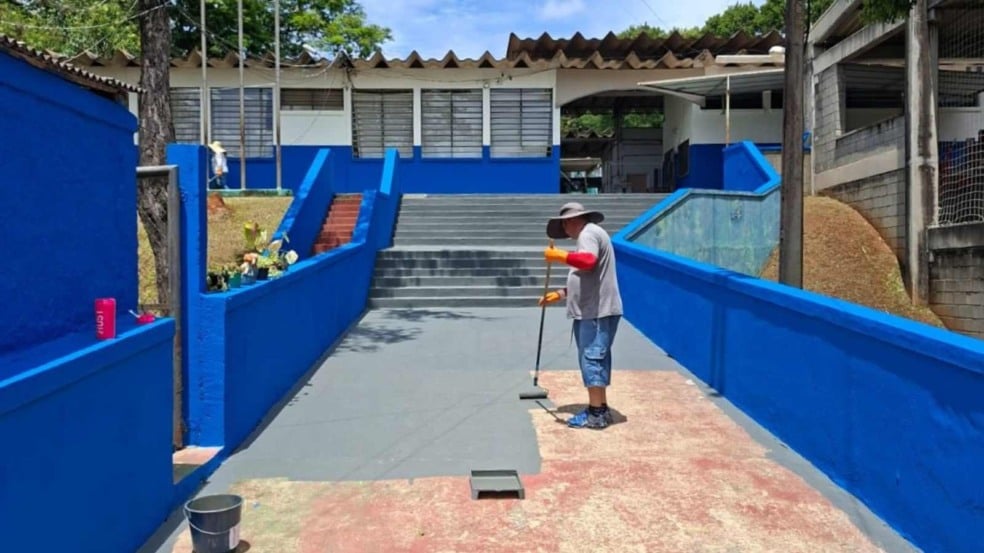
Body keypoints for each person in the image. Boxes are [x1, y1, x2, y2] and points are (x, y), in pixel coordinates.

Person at [539, 201, 623, 429]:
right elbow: (588, 276)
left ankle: (596, 414)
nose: (565, 231)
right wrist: (561, 293)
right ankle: (600, 407)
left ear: (571, 221)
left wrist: (560, 256)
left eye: (565, 226)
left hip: (596, 311)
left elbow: (587, 262)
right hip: (594, 308)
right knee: (596, 357)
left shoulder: (588, 234)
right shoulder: (591, 235)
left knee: (592, 358)